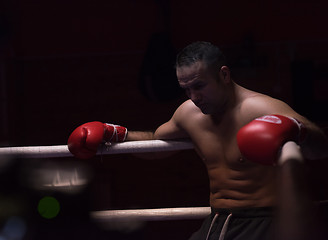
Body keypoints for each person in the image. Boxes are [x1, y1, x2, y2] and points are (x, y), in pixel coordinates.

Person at [67, 41, 328, 239]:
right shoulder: (188, 114)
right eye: (186, 89)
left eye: (199, 86)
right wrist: (115, 134)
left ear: (224, 75)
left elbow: (321, 149)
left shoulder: (263, 109)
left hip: (263, 221)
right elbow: (156, 145)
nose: (193, 96)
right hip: (216, 222)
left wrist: (299, 130)